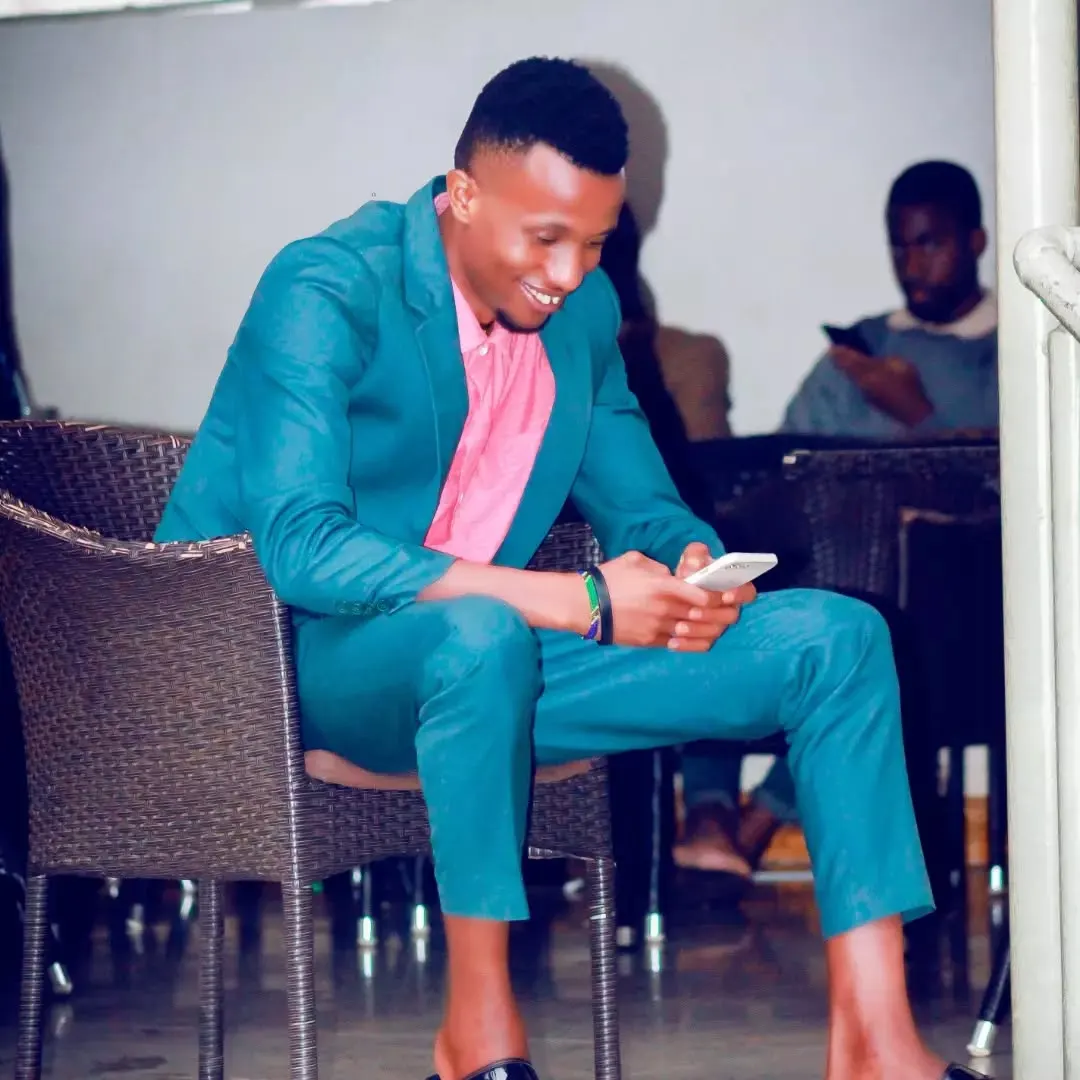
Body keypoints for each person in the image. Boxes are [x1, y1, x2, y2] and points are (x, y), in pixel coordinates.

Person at [155, 58, 982, 1080]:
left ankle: (877, 1043)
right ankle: (476, 1039)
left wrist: (691, 565)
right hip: (295, 671)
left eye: (594, 242)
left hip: (493, 669)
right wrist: (583, 600)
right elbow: (304, 548)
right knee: (481, 634)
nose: (569, 272)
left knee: (838, 640)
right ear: (462, 195)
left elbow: (645, 505)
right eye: (545, 237)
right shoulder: (327, 287)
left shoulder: (580, 319)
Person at [676, 160, 998, 884]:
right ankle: (710, 813)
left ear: (976, 241)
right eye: (899, 246)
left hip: (946, 599)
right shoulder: (861, 350)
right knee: (716, 565)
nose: (912, 264)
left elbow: (1015, 481)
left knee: (860, 629)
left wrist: (916, 415)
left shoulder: (1008, 347)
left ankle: (758, 821)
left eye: (930, 243)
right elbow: (786, 466)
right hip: (824, 572)